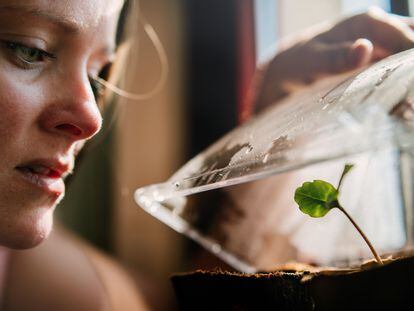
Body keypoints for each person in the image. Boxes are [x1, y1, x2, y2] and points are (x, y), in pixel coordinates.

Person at [0, 0, 413, 310]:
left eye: (98, 73)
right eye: (30, 50)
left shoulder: (20, 264)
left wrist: (273, 128)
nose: (92, 118)